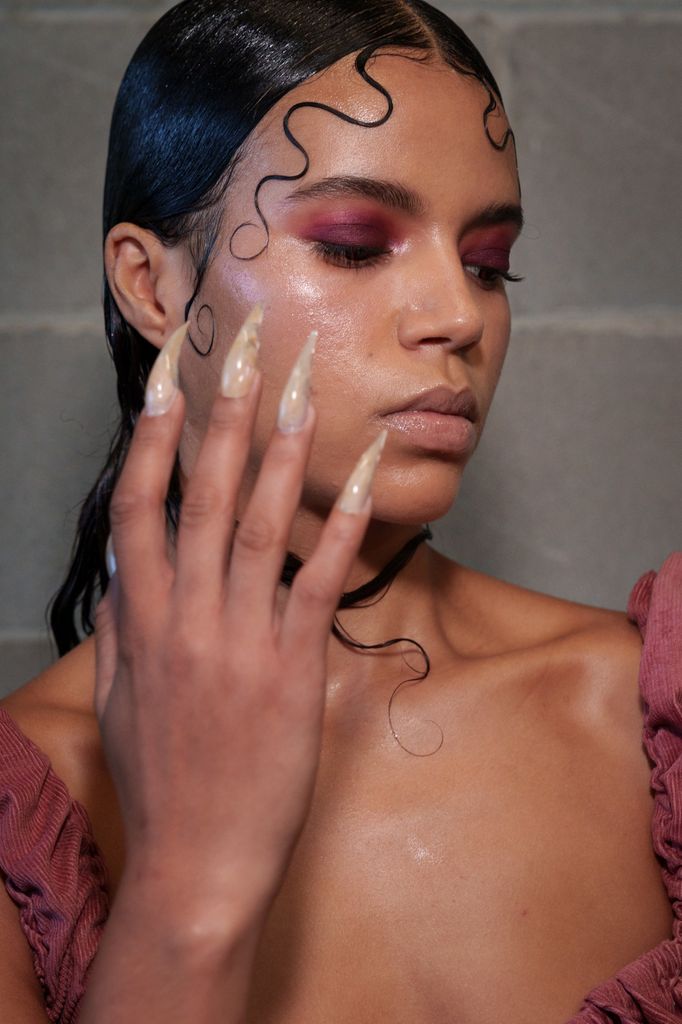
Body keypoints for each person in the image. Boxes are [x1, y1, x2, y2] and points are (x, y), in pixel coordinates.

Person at [0, 2, 679, 1022]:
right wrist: (190, 891)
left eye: (489, 262)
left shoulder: (646, 712)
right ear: (152, 284)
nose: (459, 315)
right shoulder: (31, 805)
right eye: (357, 242)